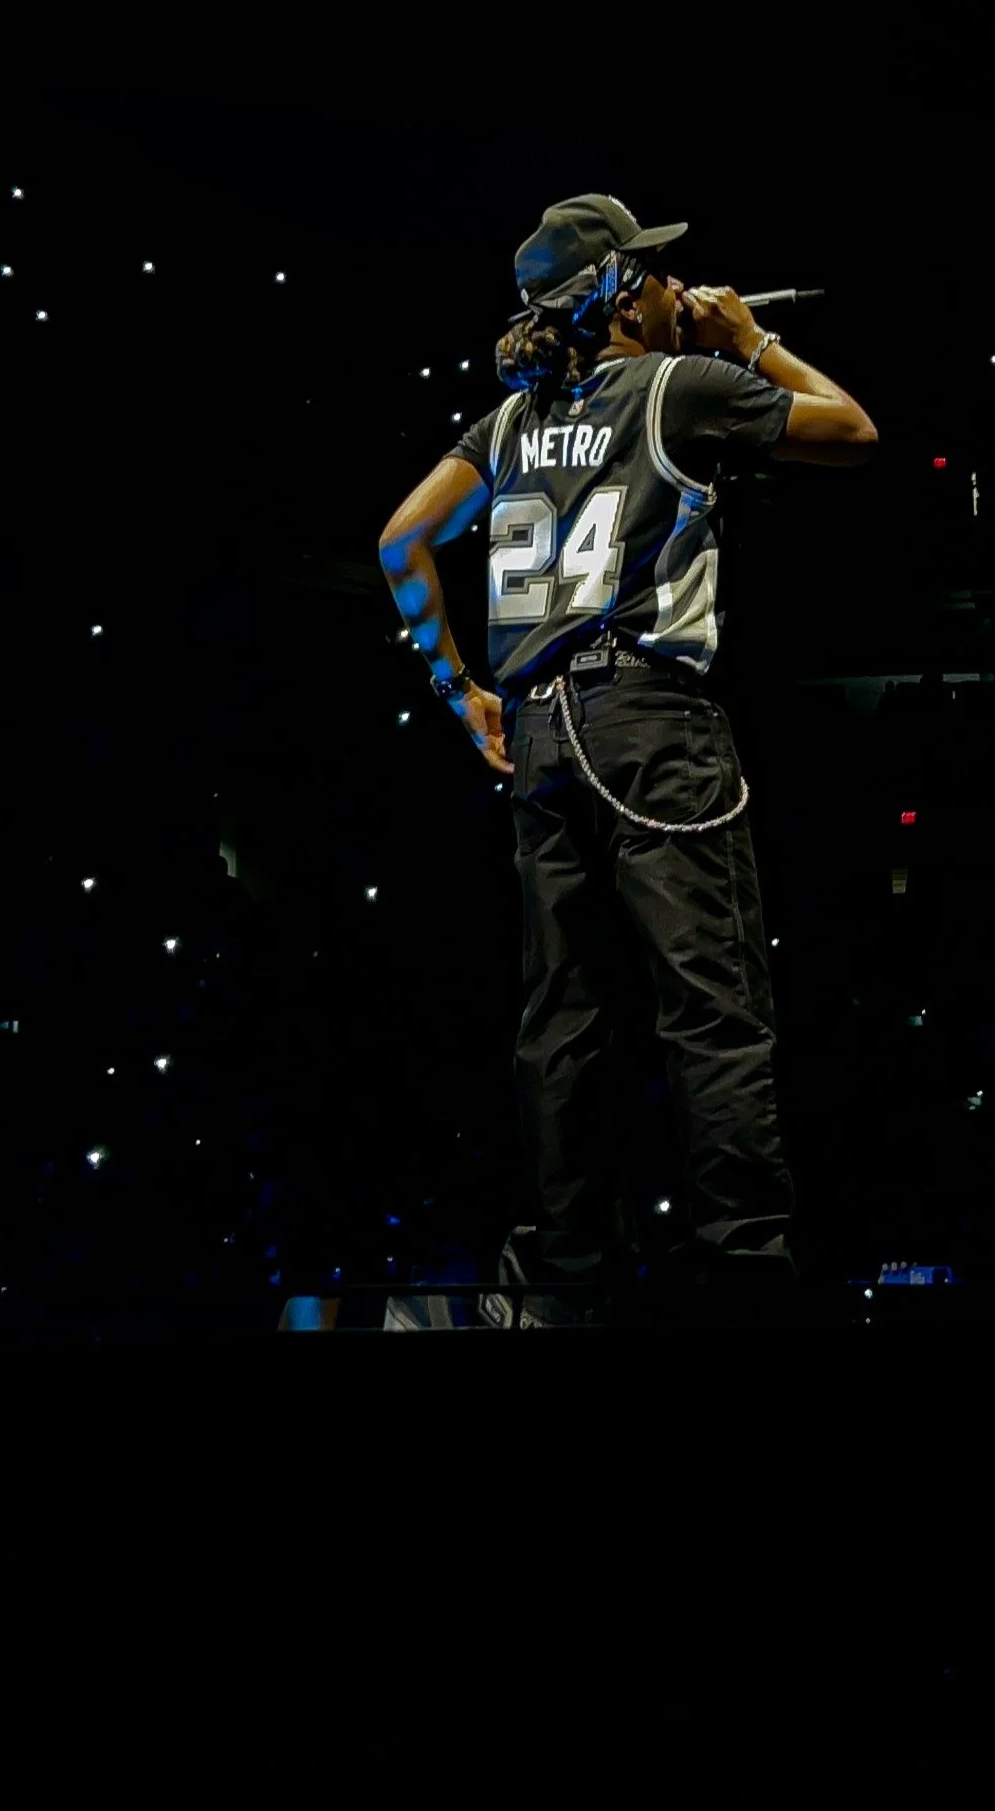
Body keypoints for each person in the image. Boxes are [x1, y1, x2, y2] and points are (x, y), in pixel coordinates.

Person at [379, 194, 877, 1325]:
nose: (669, 285)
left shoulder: (505, 425)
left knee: (563, 1023)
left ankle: (564, 1280)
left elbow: (399, 540)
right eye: (651, 272)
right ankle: (746, 1279)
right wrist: (748, 340)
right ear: (614, 294)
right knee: (712, 1006)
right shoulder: (676, 387)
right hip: (653, 728)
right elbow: (851, 429)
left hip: (544, 738)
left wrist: (462, 692)